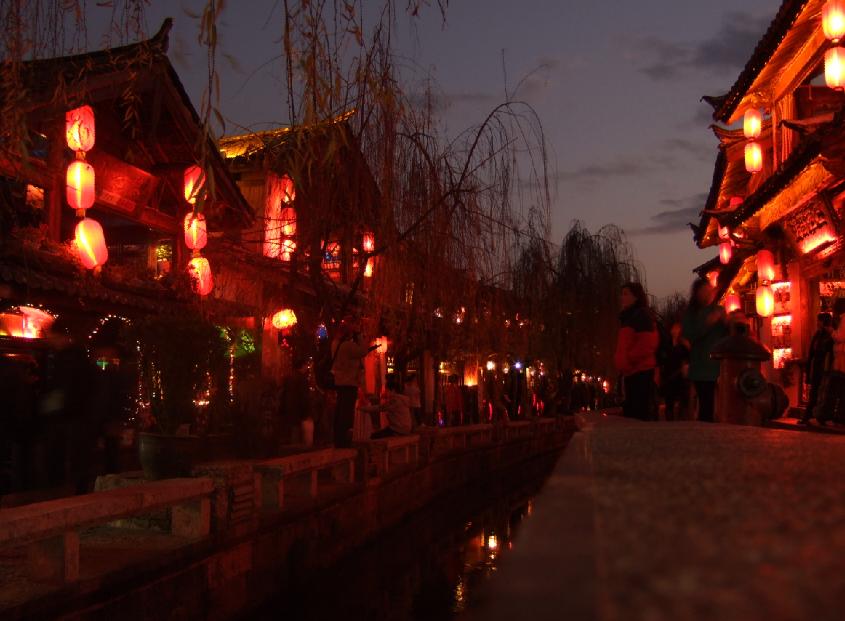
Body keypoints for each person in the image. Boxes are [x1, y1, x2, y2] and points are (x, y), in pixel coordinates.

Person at [681, 279, 728, 422]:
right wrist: (707, 323)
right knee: (705, 403)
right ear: (697, 293)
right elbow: (689, 335)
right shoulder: (691, 313)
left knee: (718, 404)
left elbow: (727, 335)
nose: (708, 294)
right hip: (701, 365)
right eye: (704, 291)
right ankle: (704, 428)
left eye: (709, 290)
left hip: (718, 365)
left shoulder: (719, 310)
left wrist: (727, 322)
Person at [614, 282, 659, 420]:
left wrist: (628, 359)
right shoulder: (628, 317)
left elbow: (647, 343)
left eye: (626, 294)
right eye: (621, 294)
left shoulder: (641, 315)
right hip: (631, 371)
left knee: (638, 412)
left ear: (636, 297)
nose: (622, 297)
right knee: (632, 412)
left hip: (640, 371)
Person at [331, 318, 379, 448]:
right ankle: (344, 440)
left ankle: (338, 439)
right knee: (346, 413)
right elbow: (363, 351)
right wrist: (359, 334)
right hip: (349, 382)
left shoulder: (335, 343)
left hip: (340, 382)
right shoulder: (347, 346)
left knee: (340, 411)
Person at [801, 313, 834, 424]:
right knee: (814, 392)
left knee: (819, 393)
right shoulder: (818, 334)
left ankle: (813, 416)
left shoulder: (828, 335)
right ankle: (809, 416)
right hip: (817, 367)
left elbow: (824, 351)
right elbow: (812, 352)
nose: (817, 323)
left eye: (819, 320)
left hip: (823, 368)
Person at [362, 374, 413, 439]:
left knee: (373, 436)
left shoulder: (395, 400)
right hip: (405, 428)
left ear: (393, 390)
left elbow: (380, 408)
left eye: (387, 390)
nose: (386, 392)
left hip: (398, 429)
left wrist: (364, 409)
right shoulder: (402, 399)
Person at [279, 357, 313, 447]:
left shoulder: (288, 378)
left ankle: (291, 446)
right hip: (298, 409)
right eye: (306, 365)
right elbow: (304, 397)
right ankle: (296, 448)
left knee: (291, 429)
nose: (307, 368)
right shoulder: (302, 379)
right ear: (302, 366)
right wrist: (307, 411)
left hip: (288, 407)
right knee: (297, 430)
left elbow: (283, 393)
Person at [661, 323, 689, 421]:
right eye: (674, 328)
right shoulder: (666, 344)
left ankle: (681, 418)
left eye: (678, 329)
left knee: (682, 397)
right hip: (669, 374)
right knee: (669, 398)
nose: (676, 331)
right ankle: (669, 418)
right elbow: (663, 357)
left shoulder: (682, 345)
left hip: (679, 374)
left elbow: (687, 357)